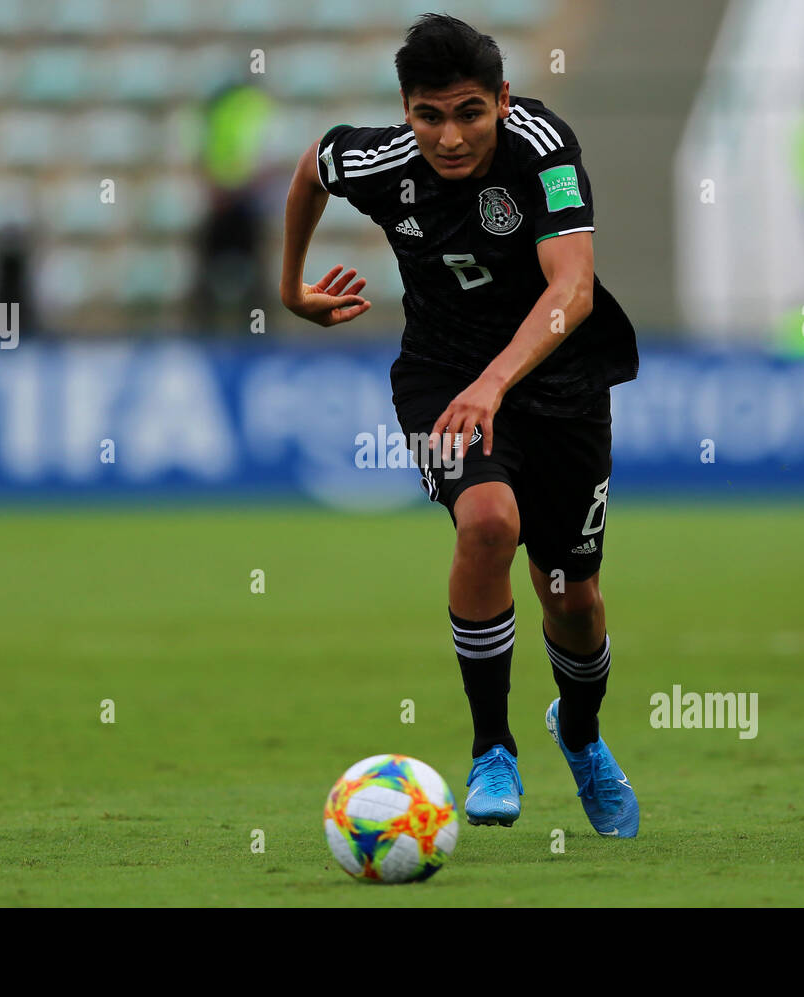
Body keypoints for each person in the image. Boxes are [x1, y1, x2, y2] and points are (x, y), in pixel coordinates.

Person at [280, 14, 640, 837]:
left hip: (558, 385)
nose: (449, 136)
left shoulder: (542, 148)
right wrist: (293, 287)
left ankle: (580, 736)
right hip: (442, 380)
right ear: (405, 110)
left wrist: (498, 382)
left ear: (503, 101)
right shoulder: (379, 160)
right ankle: (492, 747)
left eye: (470, 113)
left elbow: (571, 291)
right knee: (486, 521)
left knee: (573, 597)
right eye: (428, 115)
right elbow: (311, 167)